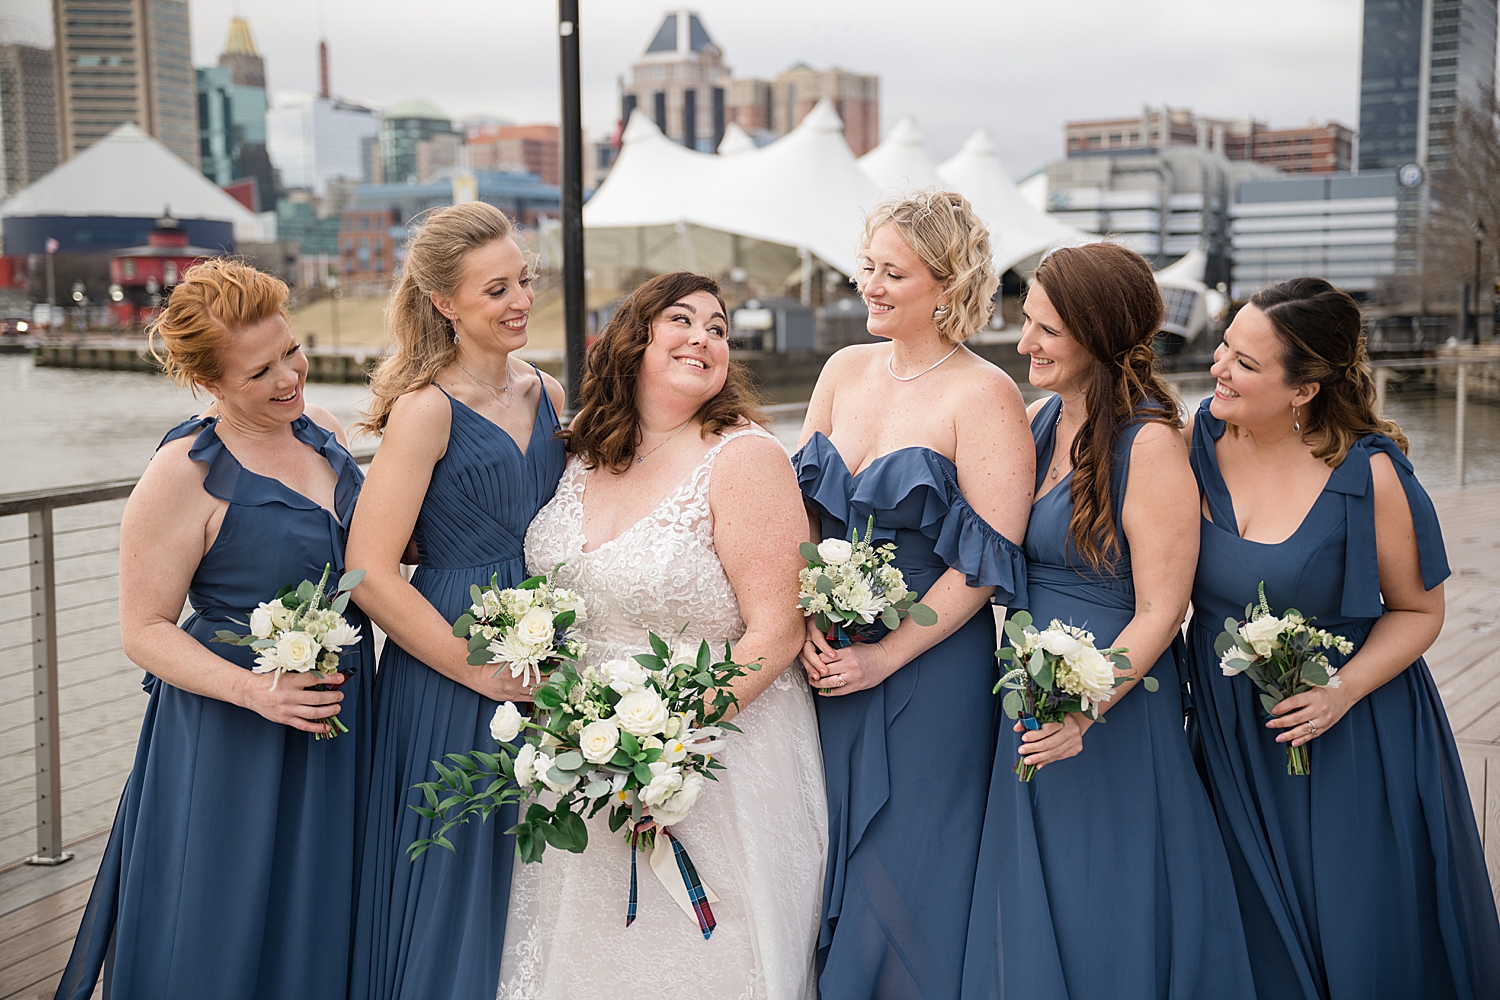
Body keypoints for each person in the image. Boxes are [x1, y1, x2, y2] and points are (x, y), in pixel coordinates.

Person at [496, 271, 825, 999]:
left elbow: (778, 628)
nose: (704, 337)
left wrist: (663, 745)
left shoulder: (744, 458)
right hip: (580, 755)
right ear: (634, 337)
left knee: (696, 963)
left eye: (718, 328)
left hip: (709, 757)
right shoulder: (581, 449)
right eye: (683, 320)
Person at [54, 259, 374, 999]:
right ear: (211, 384)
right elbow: (143, 629)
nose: (290, 376)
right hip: (234, 729)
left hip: (340, 712)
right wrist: (256, 691)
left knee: (317, 909)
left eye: (290, 350)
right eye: (260, 371)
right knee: (216, 922)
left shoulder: (321, 430)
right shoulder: (181, 474)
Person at [1184, 278, 1500, 1000]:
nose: (1218, 369)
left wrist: (1340, 690)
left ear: (1304, 390)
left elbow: (1420, 612)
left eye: (1244, 363)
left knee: (1358, 935)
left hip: (1351, 737)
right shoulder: (1196, 441)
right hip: (1232, 744)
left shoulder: (1371, 475)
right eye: (1225, 347)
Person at [961, 243, 1255, 999]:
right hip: (1029, 696)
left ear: (1097, 334)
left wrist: (1084, 708)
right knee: (1038, 892)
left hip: (1112, 711)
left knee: (1104, 896)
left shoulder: (1149, 443)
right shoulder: (1034, 423)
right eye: (1024, 321)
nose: (1023, 342)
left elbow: (1164, 608)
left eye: (1045, 330)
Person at [792, 191, 1034, 999]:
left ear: (948, 280)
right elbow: (797, 516)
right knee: (824, 860)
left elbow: (985, 564)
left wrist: (886, 657)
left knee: (908, 874)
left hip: (929, 670)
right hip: (826, 664)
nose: (871, 286)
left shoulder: (984, 394)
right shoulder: (841, 370)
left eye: (892, 272)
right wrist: (798, 625)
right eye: (868, 268)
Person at [345, 202, 566, 1000]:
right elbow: (368, 572)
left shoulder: (550, 392)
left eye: (523, 282)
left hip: (546, 655)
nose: (519, 302)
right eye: (494, 290)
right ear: (445, 304)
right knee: (455, 859)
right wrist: (475, 672)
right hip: (449, 661)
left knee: (533, 867)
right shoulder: (426, 410)